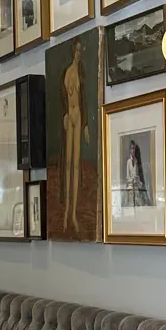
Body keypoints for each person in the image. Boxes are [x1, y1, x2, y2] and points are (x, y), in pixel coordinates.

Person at [61, 38, 88, 234]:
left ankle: (73, 214)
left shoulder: (81, 73)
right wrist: (64, 113)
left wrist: (85, 124)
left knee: (76, 164)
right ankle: (66, 212)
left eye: (80, 51)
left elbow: (83, 99)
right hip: (69, 115)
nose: (78, 54)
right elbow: (63, 97)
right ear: (73, 51)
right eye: (76, 50)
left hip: (78, 115)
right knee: (68, 164)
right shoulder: (67, 72)